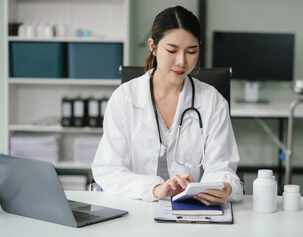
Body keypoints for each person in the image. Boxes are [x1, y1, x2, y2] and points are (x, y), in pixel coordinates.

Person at [92, 5, 243, 205]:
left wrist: (224, 187)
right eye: (172, 50)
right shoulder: (124, 98)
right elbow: (108, 169)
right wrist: (155, 189)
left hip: (193, 212)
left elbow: (222, 168)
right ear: (152, 47)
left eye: (191, 51)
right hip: (135, 208)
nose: (181, 61)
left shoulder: (212, 102)